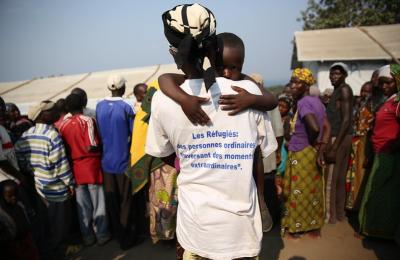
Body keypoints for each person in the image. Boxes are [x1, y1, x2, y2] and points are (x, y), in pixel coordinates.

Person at [147, 4, 277, 259]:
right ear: (214, 47)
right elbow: (260, 155)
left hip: (196, 232)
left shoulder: (164, 100)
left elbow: (164, 156)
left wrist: (196, 156)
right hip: (242, 233)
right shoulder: (249, 95)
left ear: (174, 51)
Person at [14, 100, 74, 259]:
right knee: (59, 225)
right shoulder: (52, 135)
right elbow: (61, 164)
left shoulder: (26, 135)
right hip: (57, 189)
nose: (55, 111)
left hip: (39, 187)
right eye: (51, 110)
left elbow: (20, 161)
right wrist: (70, 183)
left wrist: (33, 170)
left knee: (46, 223)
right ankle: (59, 253)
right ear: (42, 116)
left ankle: (50, 252)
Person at [96, 75, 144, 250]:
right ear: (123, 88)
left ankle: (118, 235)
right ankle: (127, 239)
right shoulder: (126, 107)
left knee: (112, 201)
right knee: (126, 202)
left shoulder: (99, 106)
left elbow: (100, 134)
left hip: (106, 162)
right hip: (124, 162)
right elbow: (134, 135)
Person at [280, 68, 328, 238]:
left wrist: (309, 141)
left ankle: (296, 227)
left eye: (297, 82)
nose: (293, 86)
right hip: (312, 151)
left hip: (301, 151)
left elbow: (314, 127)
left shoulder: (303, 103)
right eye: (292, 82)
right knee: (312, 190)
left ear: (306, 84)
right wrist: (318, 146)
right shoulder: (317, 102)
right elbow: (326, 127)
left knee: (297, 190)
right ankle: (313, 225)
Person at [59, 94, 110, 246]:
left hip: (75, 167)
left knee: (83, 207)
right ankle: (102, 235)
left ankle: (87, 237)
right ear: (83, 104)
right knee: (98, 204)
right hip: (91, 166)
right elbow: (91, 145)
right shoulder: (88, 121)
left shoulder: (64, 125)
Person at [358, 64, 400, 239]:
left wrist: (394, 146)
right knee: (377, 191)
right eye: (381, 83)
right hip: (380, 152)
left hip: (389, 155)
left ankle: (380, 231)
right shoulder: (391, 100)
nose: (384, 87)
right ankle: (372, 229)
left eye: (388, 83)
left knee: (382, 193)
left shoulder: (398, 102)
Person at [325, 62, 353, 224]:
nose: (333, 76)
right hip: (343, 137)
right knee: (340, 179)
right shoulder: (339, 90)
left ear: (344, 75)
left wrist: (334, 147)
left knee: (332, 179)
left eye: (337, 74)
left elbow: (346, 119)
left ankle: (330, 216)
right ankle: (340, 213)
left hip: (339, 138)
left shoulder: (343, 90)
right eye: (332, 73)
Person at [345, 81, 373, 210]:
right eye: (363, 90)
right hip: (354, 144)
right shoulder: (358, 105)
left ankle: (358, 205)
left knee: (360, 175)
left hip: (364, 144)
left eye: (367, 91)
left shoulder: (373, 107)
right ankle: (351, 204)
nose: (364, 94)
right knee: (351, 174)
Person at [0, 180, 39, 260]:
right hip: (12, 247)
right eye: (10, 196)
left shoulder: (20, 205)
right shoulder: (2, 214)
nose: (14, 198)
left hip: (27, 242)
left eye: (16, 195)